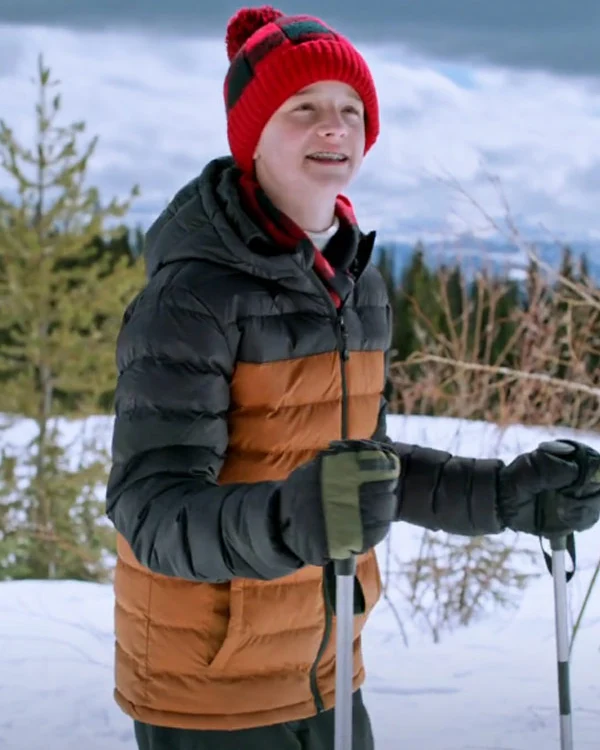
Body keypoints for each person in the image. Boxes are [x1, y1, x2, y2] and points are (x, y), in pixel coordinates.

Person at [105, 6, 600, 750]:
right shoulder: (193, 295)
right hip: (209, 684)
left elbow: (369, 468)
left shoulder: (356, 282)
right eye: (303, 108)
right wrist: (290, 519)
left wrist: (501, 496)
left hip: (327, 665)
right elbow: (149, 509)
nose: (333, 127)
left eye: (350, 109)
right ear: (252, 136)